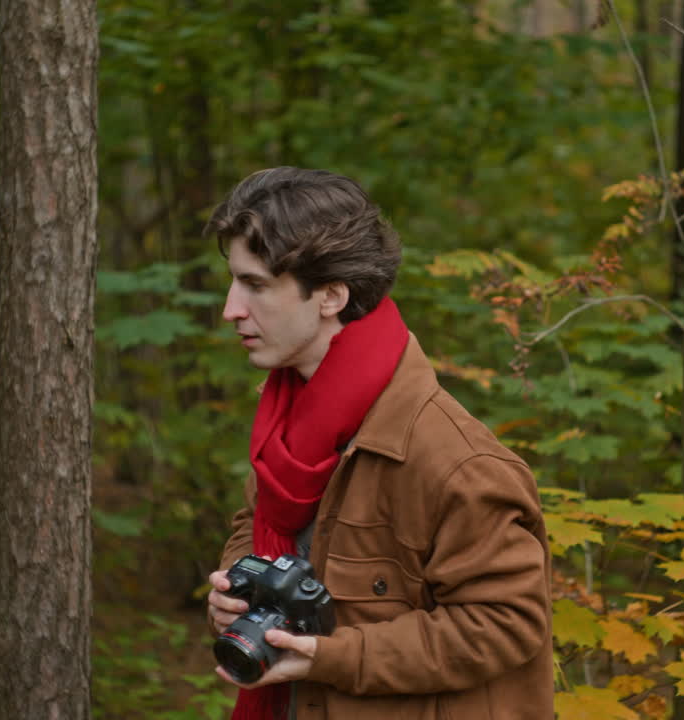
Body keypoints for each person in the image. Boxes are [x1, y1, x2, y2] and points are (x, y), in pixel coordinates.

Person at [205, 167, 553, 720]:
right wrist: (235, 587)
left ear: (331, 296)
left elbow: (505, 624)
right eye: (233, 280)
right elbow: (257, 521)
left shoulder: (454, 459)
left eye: (256, 284)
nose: (231, 308)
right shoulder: (288, 420)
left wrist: (331, 657)